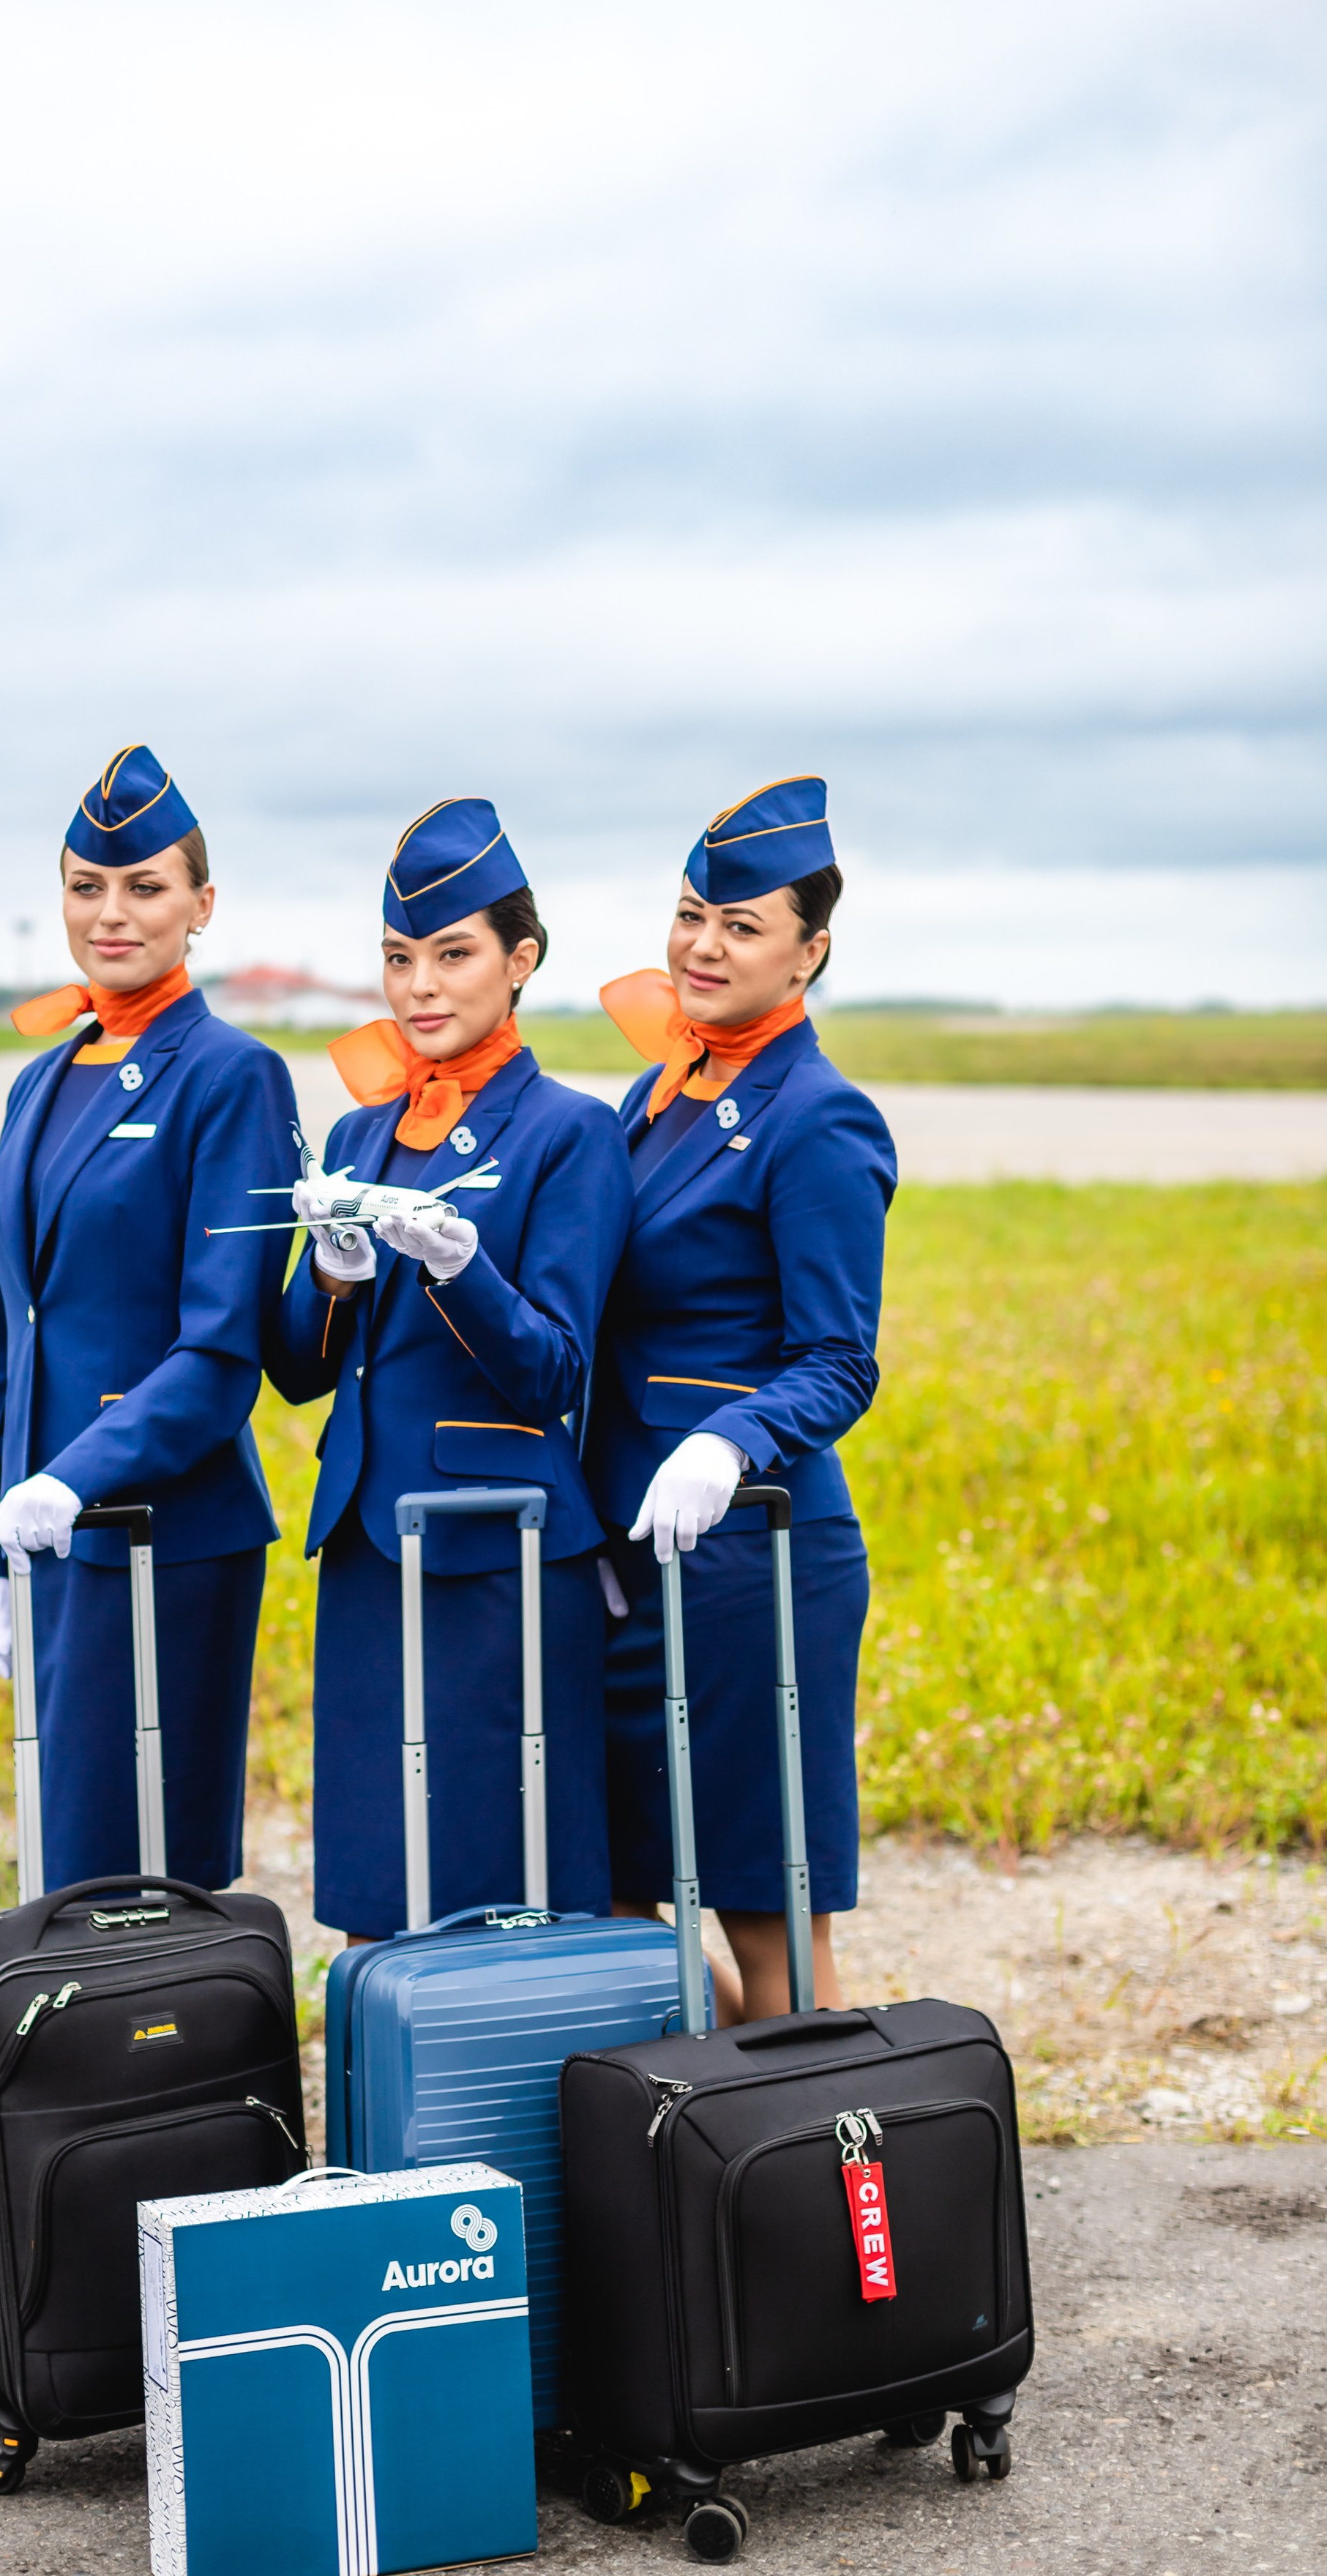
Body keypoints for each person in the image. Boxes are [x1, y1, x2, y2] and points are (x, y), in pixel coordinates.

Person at [266, 799, 633, 1940]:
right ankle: (402, 2105)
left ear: (521, 961)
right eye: (398, 957)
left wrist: (458, 1264)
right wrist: (329, 1277)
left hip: (501, 1549)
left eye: (453, 953)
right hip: (371, 1538)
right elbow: (296, 1373)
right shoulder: (358, 1135)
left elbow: (555, 1372)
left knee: (511, 1871)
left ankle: (526, 2110)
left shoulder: (572, 1132)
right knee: (382, 1866)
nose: (421, 985)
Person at [0, 746, 299, 1892]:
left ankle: (169, 2077)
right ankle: (75, 2075)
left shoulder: (231, 1075)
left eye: (145, 886)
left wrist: (70, 1480)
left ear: (202, 906)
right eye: (86, 885)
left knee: (142, 1877)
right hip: (47, 1535)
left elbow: (219, 1354)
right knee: (61, 1865)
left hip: (161, 1534)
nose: (112, 912)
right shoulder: (42, 1079)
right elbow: (10, 1329)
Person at [586, 774, 897, 2020]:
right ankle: (718, 2133)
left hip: (753, 1559)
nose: (704, 946)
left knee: (768, 1913)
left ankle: (813, 2181)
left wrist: (727, 1439)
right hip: (629, 1558)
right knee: (608, 1890)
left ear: (809, 952)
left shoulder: (818, 1119)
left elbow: (840, 1357)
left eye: (743, 925)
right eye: (688, 914)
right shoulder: (658, 1097)